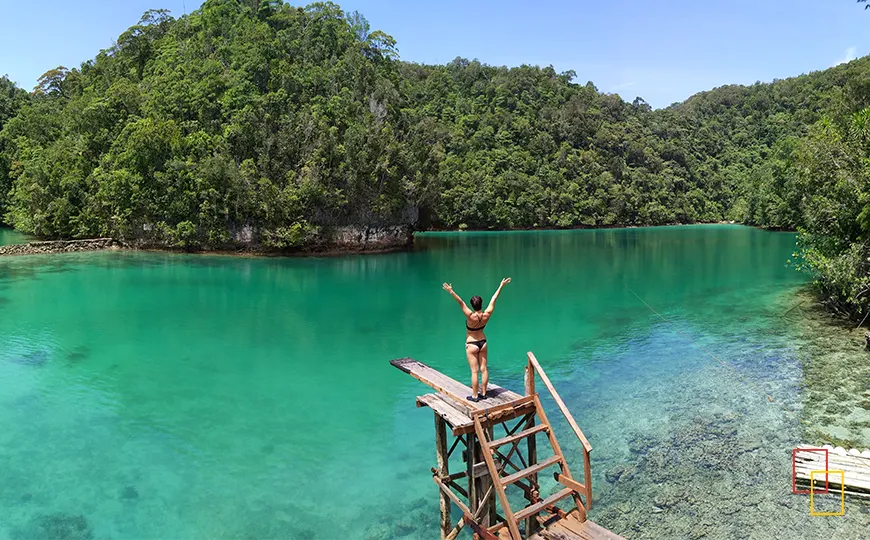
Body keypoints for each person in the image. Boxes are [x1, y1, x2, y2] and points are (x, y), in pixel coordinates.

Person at [442, 278, 511, 402]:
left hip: (472, 344)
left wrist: (451, 291)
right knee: (484, 368)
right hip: (483, 342)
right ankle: (484, 393)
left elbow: (460, 302)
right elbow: (494, 299)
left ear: (472, 305)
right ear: (481, 304)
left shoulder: (470, 315)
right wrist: (501, 285)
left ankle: (474, 396)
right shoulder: (487, 314)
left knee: (474, 371)